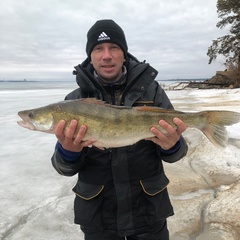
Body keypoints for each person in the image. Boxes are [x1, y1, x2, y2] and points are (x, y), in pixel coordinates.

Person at [51, 19, 188, 240]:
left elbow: (177, 155)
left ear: (124, 54)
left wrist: (173, 146)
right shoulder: (74, 102)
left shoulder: (151, 92)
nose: (107, 55)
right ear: (91, 56)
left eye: (114, 47)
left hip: (148, 214)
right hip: (99, 219)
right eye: (98, 49)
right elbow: (64, 168)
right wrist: (69, 152)